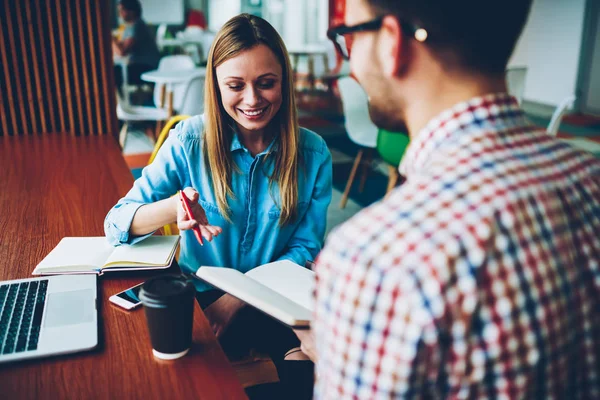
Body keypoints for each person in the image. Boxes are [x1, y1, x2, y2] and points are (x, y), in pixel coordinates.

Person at [295, 0, 600, 398]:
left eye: (348, 36)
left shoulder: (374, 260)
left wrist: (344, 357)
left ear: (392, 42)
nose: (350, 62)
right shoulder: (589, 178)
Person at [105, 13, 332, 399]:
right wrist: (172, 209)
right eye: (235, 85)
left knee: (309, 370)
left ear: (284, 82)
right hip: (200, 295)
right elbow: (116, 223)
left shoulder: (313, 153)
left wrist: (235, 300)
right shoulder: (189, 140)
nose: (252, 100)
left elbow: (304, 249)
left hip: (275, 297)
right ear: (216, 85)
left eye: (266, 83)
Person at [112, 0, 160, 90]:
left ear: (131, 11)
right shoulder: (129, 27)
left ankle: (122, 101)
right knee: (114, 70)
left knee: (113, 73)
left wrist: (110, 36)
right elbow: (120, 47)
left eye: (122, 10)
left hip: (147, 67)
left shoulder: (137, 26)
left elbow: (121, 51)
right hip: (139, 65)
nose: (120, 14)